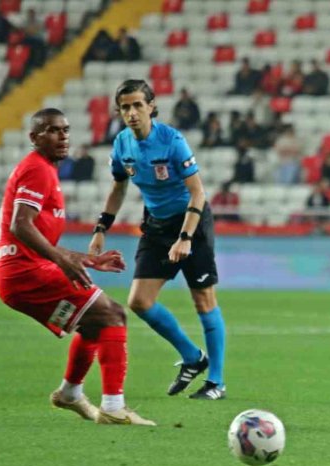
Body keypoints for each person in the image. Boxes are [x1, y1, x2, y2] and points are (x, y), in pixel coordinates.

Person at [0, 108, 154, 425]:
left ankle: (70, 393)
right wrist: (61, 259)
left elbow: (37, 236)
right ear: (34, 137)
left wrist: (85, 259)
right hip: (25, 273)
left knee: (93, 324)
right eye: (52, 130)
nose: (62, 136)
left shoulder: (44, 170)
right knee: (113, 314)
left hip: (22, 273)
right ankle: (113, 407)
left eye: (65, 130)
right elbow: (20, 225)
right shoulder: (37, 169)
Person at [88, 80, 227, 400]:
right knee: (139, 301)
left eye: (138, 105)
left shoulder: (172, 141)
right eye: (125, 107)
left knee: (204, 300)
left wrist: (185, 238)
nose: (132, 113)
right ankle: (193, 357)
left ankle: (216, 382)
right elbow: (118, 187)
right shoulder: (122, 144)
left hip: (192, 223)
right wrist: (101, 227)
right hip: (156, 226)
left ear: (151, 106)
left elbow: (198, 193)